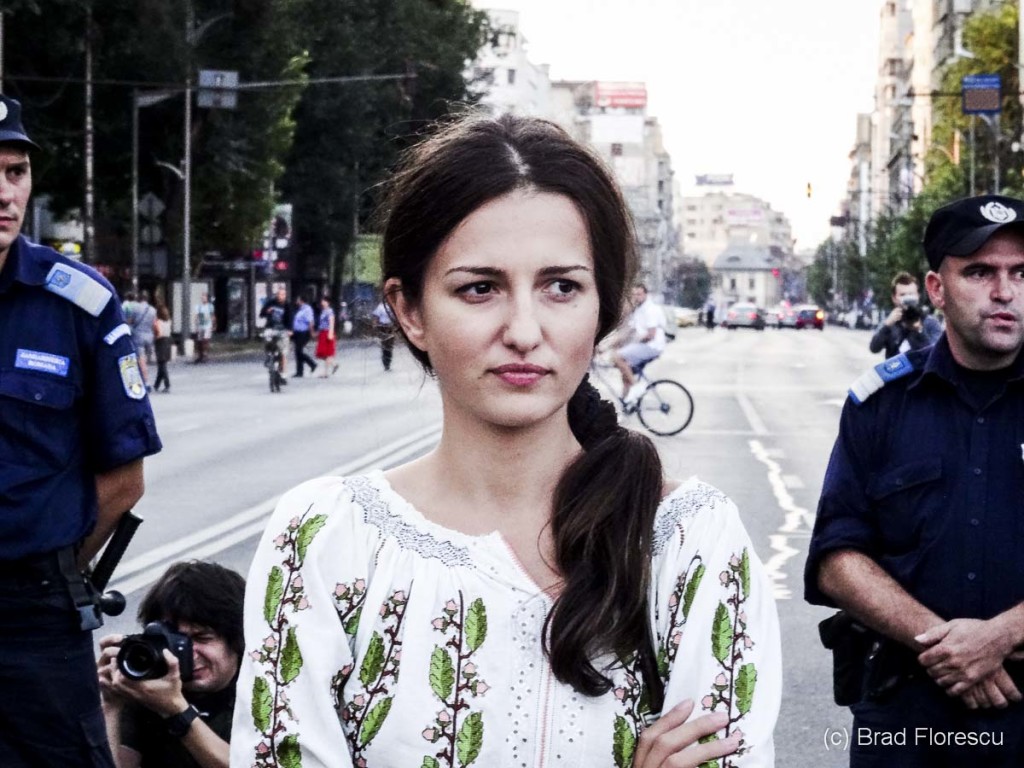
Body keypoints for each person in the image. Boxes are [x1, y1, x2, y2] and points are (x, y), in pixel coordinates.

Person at [231, 113, 780, 767]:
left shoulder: (689, 543)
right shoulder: (323, 541)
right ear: (409, 310)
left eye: (561, 287)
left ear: (603, 306)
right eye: (481, 288)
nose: (524, 329)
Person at [805, 193, 1024, 766]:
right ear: (935, 289)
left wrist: (998, 636)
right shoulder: (881, 405)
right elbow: (836, 557)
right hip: (906, 717)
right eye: (979, 272)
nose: (1005, 292)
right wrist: (946, 646)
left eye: (1021, 273)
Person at [0, 94, 162, 766]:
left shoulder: (78, 302)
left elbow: (123, 482)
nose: (4, 192)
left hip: (33, 618)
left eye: (14, 172)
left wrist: (47, 557)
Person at [97, 560, 245, 768]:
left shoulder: (265, 689)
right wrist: (110, 705)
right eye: (176, 641)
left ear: (237, 639)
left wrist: (176, 711)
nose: (188, 653)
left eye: (202, 638)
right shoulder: (148, 688)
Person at [868, 271, 943, 358]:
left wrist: (919, 331)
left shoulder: (930, 322)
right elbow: (874, 348)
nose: (908, 299)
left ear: (918, 296)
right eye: (902, 295)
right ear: (894, 298)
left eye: (911, 294)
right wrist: (887, 326)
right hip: (897, 370)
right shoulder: (891, 321)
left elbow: (936, 355)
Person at [612, 283, 667, 402]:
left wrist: (634, 342)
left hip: (652, 346)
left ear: (646, 294)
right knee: (625, 372)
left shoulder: (650, 309)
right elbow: (628, 331)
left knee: (617, 357)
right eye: (634, 294)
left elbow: (650, 335)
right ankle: (626, 404)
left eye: (639, 294)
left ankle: (637, 387)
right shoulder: (639, 309)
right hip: (646, 345)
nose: (636, 297)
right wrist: (609, 345)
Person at [259, 288, 291, 384]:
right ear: (277, 295)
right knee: (267, 339)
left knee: (283, 352)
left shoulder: (287, 305)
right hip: (271, 327)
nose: (282, 296)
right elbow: (261, 314)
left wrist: (290, 330)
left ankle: (283, 375)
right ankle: (268, 357)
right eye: (280, 294)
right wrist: (266, 311)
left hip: (282, 329)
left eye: (283, 294)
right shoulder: (270, 303)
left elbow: (290, 318)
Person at [131, 290, 157, 390]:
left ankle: (146, 381)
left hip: (138, 336)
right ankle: (145, 377)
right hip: (149, 335)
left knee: (141, 359)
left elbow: (130, 321)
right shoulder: (153, 310)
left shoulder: (135, 308)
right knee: (146, 359)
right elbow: (154, 324)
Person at [291, 294, 317, 378]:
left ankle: (312, 364)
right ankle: (299, 371)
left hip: (304, 333)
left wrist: (312, 332)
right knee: (298, 352)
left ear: (301, 300)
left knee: (298, 351)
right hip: (297, 333)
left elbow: (310, 322)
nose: (296, 301)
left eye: (298, 299)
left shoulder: (307, 309)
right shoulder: (300, 309)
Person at [314, 295, 338, 377]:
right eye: (322, 301)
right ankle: (334, 364)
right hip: (322, 332)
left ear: (328, 302)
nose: (322, 302)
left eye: (324, 301)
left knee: (327, 353)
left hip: (327, 332)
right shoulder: (323, 311)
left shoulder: (329, 311)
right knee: (322, 353)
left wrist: (330, 333)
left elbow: (331, 321)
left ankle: (325, 372)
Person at [153, 303, 172, 393]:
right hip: (167, 341)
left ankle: (167, 384)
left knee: (162, 364)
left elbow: (159, 333)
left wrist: (155, 338)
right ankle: (156, 384)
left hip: (161, 342)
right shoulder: (168, 321)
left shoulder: (158, 322)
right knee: (162, 364)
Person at [372, 298, 395, 371]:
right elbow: (376, 317)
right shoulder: (380, 307)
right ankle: (385, 364)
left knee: (390, 346)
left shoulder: (391, 306)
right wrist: (375, 326)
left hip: (390, 327)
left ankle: (389, 362)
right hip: (383, 327)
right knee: (384, 346)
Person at [194, 292, 215, 363]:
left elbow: (212, 316)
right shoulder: (198, 306)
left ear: (207, 298)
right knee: (199, 341)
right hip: (200, 325)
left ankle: (205, 354)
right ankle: (200, 355)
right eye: (202, 297)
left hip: (207, 325)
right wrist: (196, 325)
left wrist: (214, 324)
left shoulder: (210, 306)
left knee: (205, 340)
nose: (203, 298)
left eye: (204, 297)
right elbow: (196, 316)